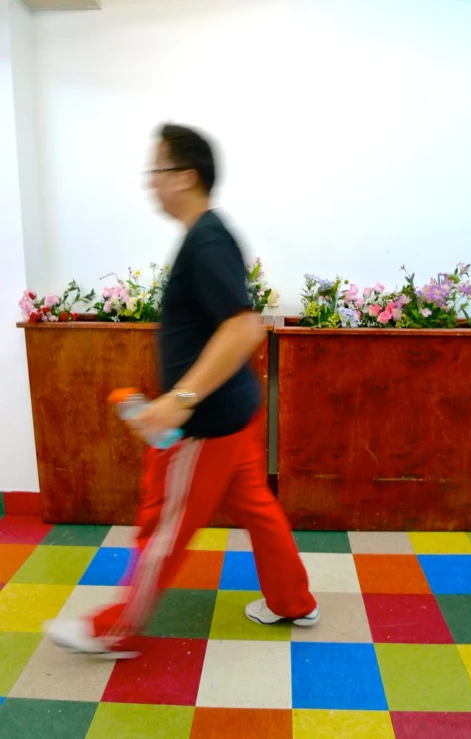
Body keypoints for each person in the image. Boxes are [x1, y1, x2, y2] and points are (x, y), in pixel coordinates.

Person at [45, 124, 319, 658]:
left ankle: (114, 628)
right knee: (258, 508)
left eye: (156, 172)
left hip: (207, 422)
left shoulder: (207, 239)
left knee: (164, 528)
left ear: (185, 176)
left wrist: (179, 399)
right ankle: (292, 601)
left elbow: (243, 327)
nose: (150, 184)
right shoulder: (207, 235)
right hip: (234, 412)